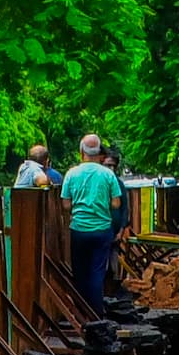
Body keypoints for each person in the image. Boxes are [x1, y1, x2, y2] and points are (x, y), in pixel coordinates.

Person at [64, 133, 127, 315]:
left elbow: (66, 204)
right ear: (99, 152)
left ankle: (81, 311)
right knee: (97, 272)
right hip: (102, 230)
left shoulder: (71, 174)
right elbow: (116, 203)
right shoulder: (108, 174)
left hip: (79, 230)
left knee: (80, 272)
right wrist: (101, 203)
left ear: (81, 151)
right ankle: (96, 312)